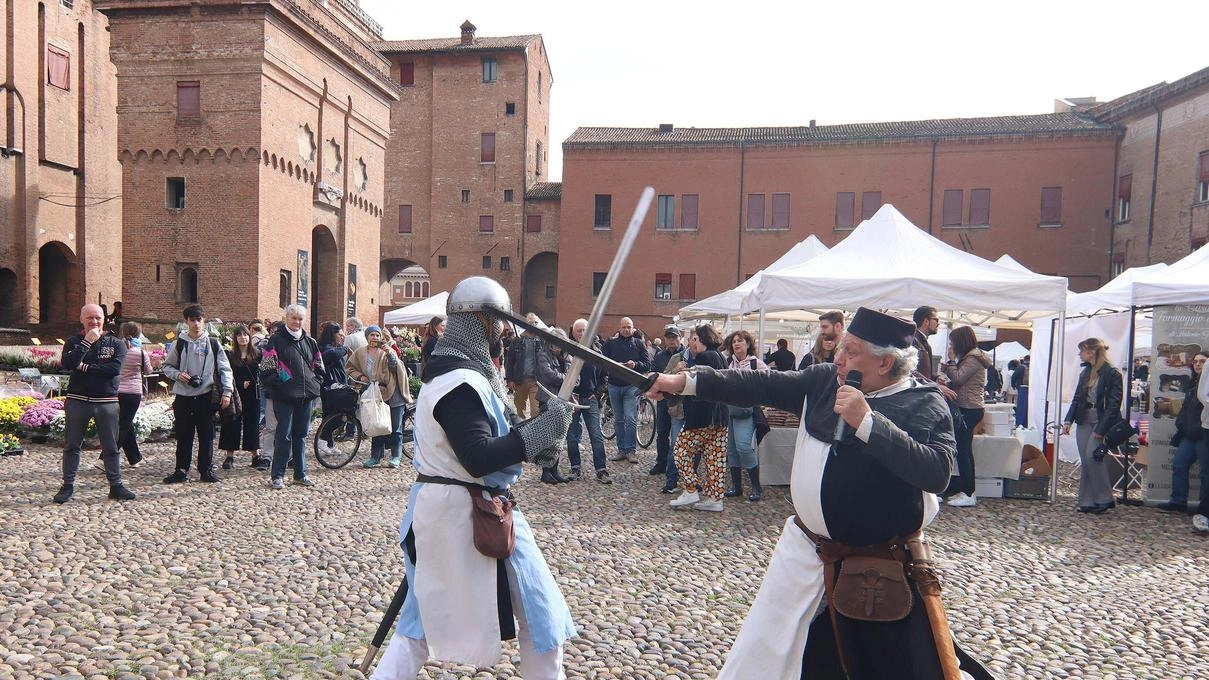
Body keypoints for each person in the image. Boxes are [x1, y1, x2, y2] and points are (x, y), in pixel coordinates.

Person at [643, 307, 993, 680]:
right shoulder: (825, 379)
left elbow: (937, 472)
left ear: (886, 362)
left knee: (883, 664)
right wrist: (682, 382)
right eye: (841, 347)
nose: (839, 358)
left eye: (852, 351)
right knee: (773, 657)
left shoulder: (925, 401)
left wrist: (869, 423)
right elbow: (758, 385)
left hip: (878, 568)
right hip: (805, 556)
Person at [371, 276, 576, 680]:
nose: (502, 332)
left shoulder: (471, 377)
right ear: (482, 321)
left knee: (536, 612)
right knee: (428, 620)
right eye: (497, 322)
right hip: (461, 514)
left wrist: (541, 438)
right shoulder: (457, 384)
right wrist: (538, 431)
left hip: (471, 507)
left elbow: (502, 436)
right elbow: (478, 456)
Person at [54, 304, 135, 503]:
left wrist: (85, 367)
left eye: (98, 318)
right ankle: (67, 485)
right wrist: (86, 344)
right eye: (90, 318)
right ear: (81, 319)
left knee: (110, 447)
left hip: (106, 401)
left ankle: (115, 485)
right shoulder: (74, 341)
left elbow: (114, 370)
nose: (94, 322)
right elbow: (68, 364)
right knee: (72, 445)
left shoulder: (116, 343)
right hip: (77, 400)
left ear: (104, 319)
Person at [161, 304, 233, 484]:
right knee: (183, 434)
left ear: (204, 321)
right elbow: (167, 367)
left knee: (206, 435)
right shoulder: (179, 343)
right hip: (183, 396)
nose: (196, 324)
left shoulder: (213, 343)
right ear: (186, 322)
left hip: (206, 395)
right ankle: (181, 469)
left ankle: (206, 469)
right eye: (192, 320)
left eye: (199, 320)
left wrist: (227, 391)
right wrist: (179, 375)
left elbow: (225, 369)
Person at [260, 304, 326, 489]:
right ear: (286, 318)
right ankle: (278, 475)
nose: (297, 322)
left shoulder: (310, 342)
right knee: (284, 435)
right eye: (293, 318)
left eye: (300, 319)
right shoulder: (276, 340)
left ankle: (300, 473)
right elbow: (267, 368)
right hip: (285, 396)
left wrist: (316, 381)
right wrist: (283, 382)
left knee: (302, 435)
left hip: (306, 396)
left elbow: (319, 365)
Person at [668, 323, 730, 512]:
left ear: (702, 339)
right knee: (715, 458)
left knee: (680, 450)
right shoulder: (721, 357)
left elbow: (699, 385)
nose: (692, 342)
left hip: (703, 415)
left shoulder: (704, 357)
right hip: (720, 416)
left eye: (695, 338)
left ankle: (690, 488)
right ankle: (715, 498)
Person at [1062, 338, 1123, 514]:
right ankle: (1088, 500)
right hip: (1084, 417)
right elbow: (1077, 398)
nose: (1079, 354)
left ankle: (1105, 497)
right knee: (1086, 460)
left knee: (1092, 457)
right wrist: (1068, 420)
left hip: (1100, 419)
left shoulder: (1112, 373)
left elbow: (1114, 404)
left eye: (1082, 351)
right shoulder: (1085, 372)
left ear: (1092, 351)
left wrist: (1101, 429)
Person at [939, 326, 991, 507]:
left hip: (969, 408)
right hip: (970, 407)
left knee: (962, 450)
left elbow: (959, 378)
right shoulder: (972, 357)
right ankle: (967, 491)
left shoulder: (973, 359)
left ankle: (969, 493)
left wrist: (952, 362)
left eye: (953, 342)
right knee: (963, 450)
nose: (951, 346)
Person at [346, 325, 412, 468]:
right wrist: (360, 376)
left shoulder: (387, 351)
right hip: (374, 392)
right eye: (372, 335)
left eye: (377, 335)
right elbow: (349, 367)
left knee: (395, 427)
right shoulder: (360, 353)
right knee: (376, 425)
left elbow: (395, 368)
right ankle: (375, 456)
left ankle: (396, 456)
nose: (375, 338)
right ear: (367, 337)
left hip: (392, 391)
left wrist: (390, 353)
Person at [96, 321, 151, 471]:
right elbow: (148, 371)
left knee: (126, 423)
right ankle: (105, 459)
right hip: (133, 392)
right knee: (123, 425)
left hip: (116, 390)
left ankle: (135, 458)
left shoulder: (117, 349)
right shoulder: (140, 352)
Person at [1158, 352, 1208, 513]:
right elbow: (1187, 408)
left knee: (1205, 472)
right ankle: (1178, 501)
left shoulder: (1205, 384)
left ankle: (1203, 508)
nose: (1198, 364)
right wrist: (1181, 422)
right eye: (1195, 361)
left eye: (1202, 361)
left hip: (1203, 432)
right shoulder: (1194, 383)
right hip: (1189, 433)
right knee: (1179, 464)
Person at [724, 330, 768, 502]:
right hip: (729, 410)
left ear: (748, 344)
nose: (736, 344)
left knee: (743, 446)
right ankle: (737, 487)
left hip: (746, 411)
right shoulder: (728, 363)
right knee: (732, 450)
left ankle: (756, 486)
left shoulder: (756, 364)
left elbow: (770, 383)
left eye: (740, 341)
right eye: (734, 341)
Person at [566, 318, 610, 484]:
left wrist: (597, 394)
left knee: (596, 435)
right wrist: (569, 395)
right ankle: (575, 468)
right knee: (572, 437)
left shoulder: (597, 353)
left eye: (585, 330)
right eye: (579, 331)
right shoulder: (568, 351)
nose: (582, 333)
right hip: (573, 399)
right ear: (574, 333)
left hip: (590, 398)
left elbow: (604, 376)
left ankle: (601, 470)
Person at [602, 316, 650, 464]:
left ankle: (630, 450)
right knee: (619, 420)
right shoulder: (611, 343)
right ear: (619, 328)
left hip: (631, 386)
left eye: (629, 327)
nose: (626, 330)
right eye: (624, 327)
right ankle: (621, 449)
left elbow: (647, 364)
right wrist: (614, 365)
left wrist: (635, 364)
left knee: (630, 418)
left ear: (633, 328)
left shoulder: (639, 344)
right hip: (614, 385)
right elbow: (602, 361)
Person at [219, 324, 263, 470]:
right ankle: (229, 456)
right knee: (231, 423)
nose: (242, 338)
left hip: (252, 394)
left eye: (245, 335)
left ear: (249, 336)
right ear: (235, 338)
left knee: (252, 424)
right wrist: (238, 384)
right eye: (239, 335)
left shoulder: (258, 354)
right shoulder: (230, 356)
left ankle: (255, 455)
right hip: (235, 393)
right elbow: (225, 374)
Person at [534, 327, 573, 484]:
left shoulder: (567, 357)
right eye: (556, 342)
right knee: (548, 437)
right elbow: (549, 376)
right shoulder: (543, 354)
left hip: (563, 401)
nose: (558, 345)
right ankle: (546, 471)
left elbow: (575, 379)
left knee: (559, 438)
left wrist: (567, 379)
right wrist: (566, 378)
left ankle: (554, 470)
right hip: (548, 399)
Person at [650, 325, 684, 477]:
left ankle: (677, 467)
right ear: (665, 339)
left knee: (679, 436)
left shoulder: (685, 355)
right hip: (663, 399)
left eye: (674, 337)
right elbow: (654, 375)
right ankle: (661, 463)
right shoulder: (659, 356)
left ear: (680, 338)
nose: (672, 341)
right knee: (662, 432)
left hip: (680, 401)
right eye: (669, 338)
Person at [504, 314, 544, 419]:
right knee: (519, 409)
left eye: (536, 323)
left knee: (536, 411)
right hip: (519, 380)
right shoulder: (517, 340)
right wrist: (510, 379)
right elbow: (510, 361)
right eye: (531, 323)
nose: (534, 325)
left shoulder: (541, 341)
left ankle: (534, 432)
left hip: (536, 381)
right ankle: (521, 430)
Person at [318, 322, 350, 387]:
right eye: (339, 335)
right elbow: (333, 354)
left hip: (338, 387)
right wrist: (346, 349)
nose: (342, 338)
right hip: (331, 389)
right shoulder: (324, 348)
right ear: (332, 335)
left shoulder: (336, 348)